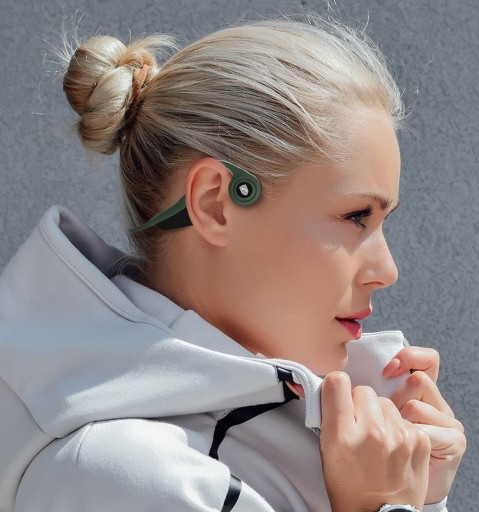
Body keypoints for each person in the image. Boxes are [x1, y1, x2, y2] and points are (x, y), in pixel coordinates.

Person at [0, 17, 465, 512]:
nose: (387, 270)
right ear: (216, 203)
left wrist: (417, 487)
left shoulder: (313, 422)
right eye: (356, 217)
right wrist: (383, 503)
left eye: (382, 222)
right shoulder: (124, 476)